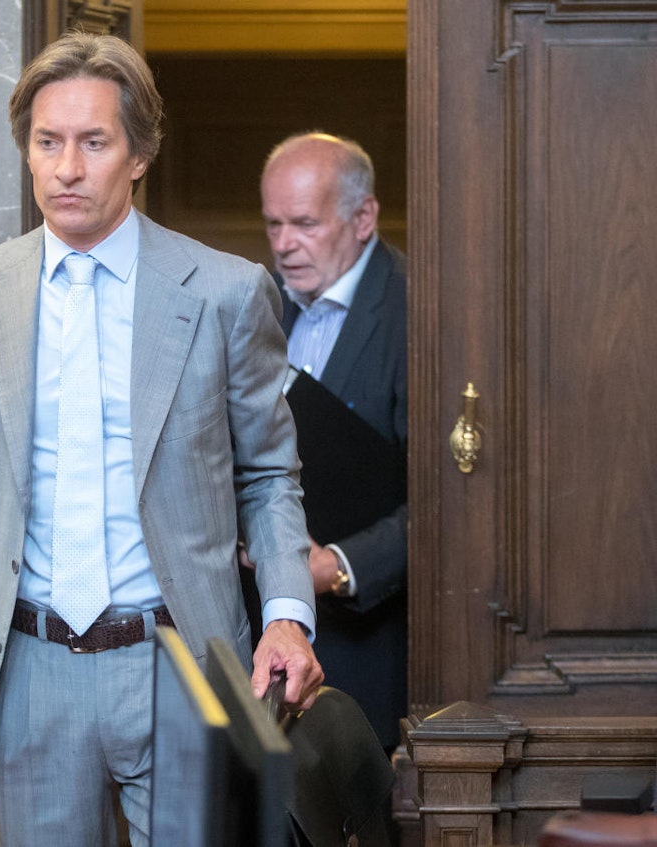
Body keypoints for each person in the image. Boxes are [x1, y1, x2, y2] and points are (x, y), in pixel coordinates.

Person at [0, 33, 324, 846]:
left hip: (184, 658)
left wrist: (286, 615)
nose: (67, 168)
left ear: (139, 155)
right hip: (31, 673)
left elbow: (269, 475)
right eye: (47, 142)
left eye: (94, 142)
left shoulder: (227, 293)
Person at [253, 131, 408, 751]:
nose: (284, 244)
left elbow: (459, 498)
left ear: (363, 218)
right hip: (260, 634)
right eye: (274, 224)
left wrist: (340, 567)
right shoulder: (256, 302)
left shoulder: (420, 308)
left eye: (305, 224)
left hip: (371, 643)